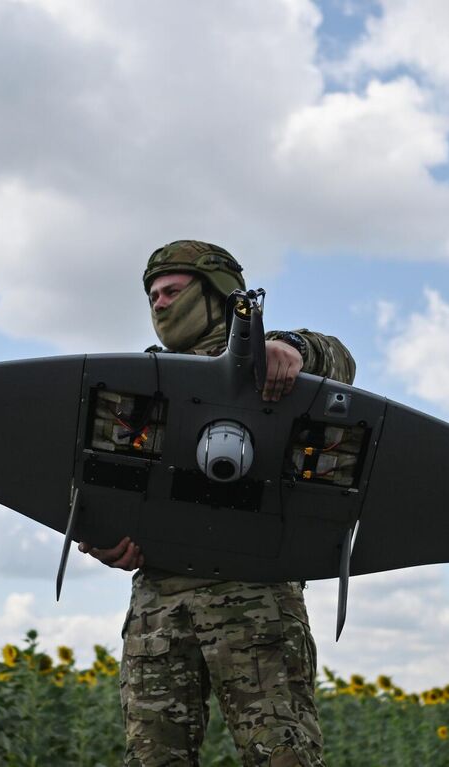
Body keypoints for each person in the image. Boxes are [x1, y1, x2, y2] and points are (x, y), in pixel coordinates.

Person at [81, 240, 356, 766]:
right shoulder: (139, 387)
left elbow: (339, 359)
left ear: (218, 295)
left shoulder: (267, 366)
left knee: (282, 756)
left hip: (256, 601)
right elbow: (98, 483)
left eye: (172, 291)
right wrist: (99, 537)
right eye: (153, 295)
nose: (159, 303)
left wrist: (290, 347)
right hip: (158, 606)